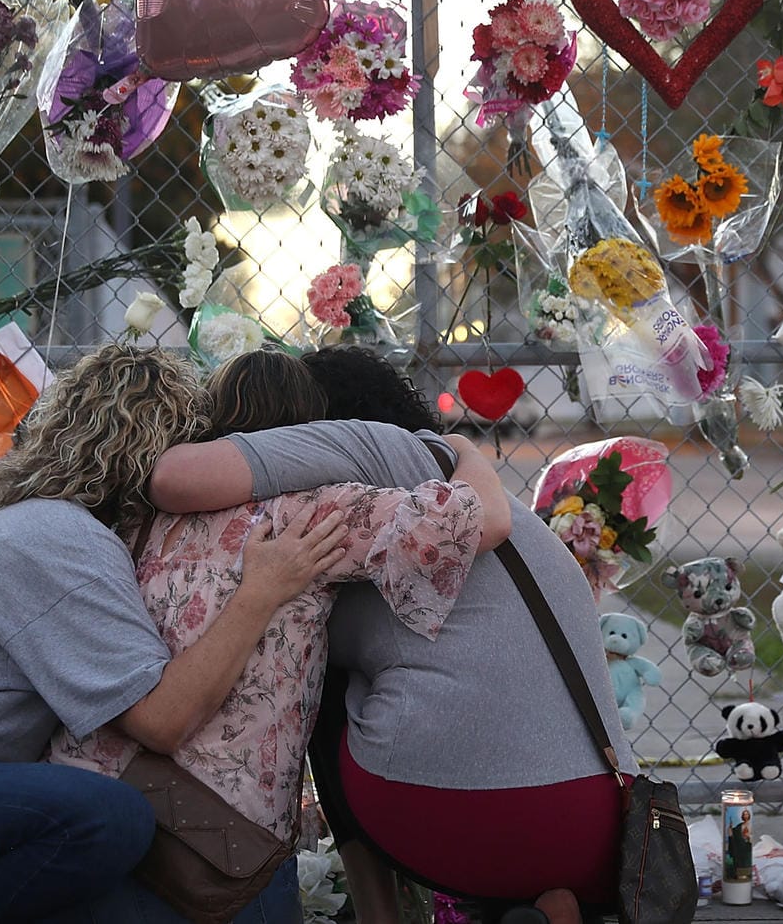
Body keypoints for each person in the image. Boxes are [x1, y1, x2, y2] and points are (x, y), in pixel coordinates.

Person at [0, 345, 350, 924]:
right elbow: (162, 720)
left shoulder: (17, 523)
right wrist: (260, 593)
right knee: (110, 818)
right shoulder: (65, 540)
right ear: (154, 457)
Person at [151, 346, 637, 924]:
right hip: (600, 819)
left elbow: (170, 477)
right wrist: (464, 449)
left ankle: (381, 915)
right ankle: (534, 901)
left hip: (449, 811)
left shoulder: (352, 457)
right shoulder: (448, 476)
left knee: (326, 678)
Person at [51, 349, 511, 861]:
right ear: (310, 428)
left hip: (82, 785)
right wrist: (466, 453)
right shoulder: (312, 512)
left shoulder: (136, 512)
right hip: (216, 829)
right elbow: (472, 524)